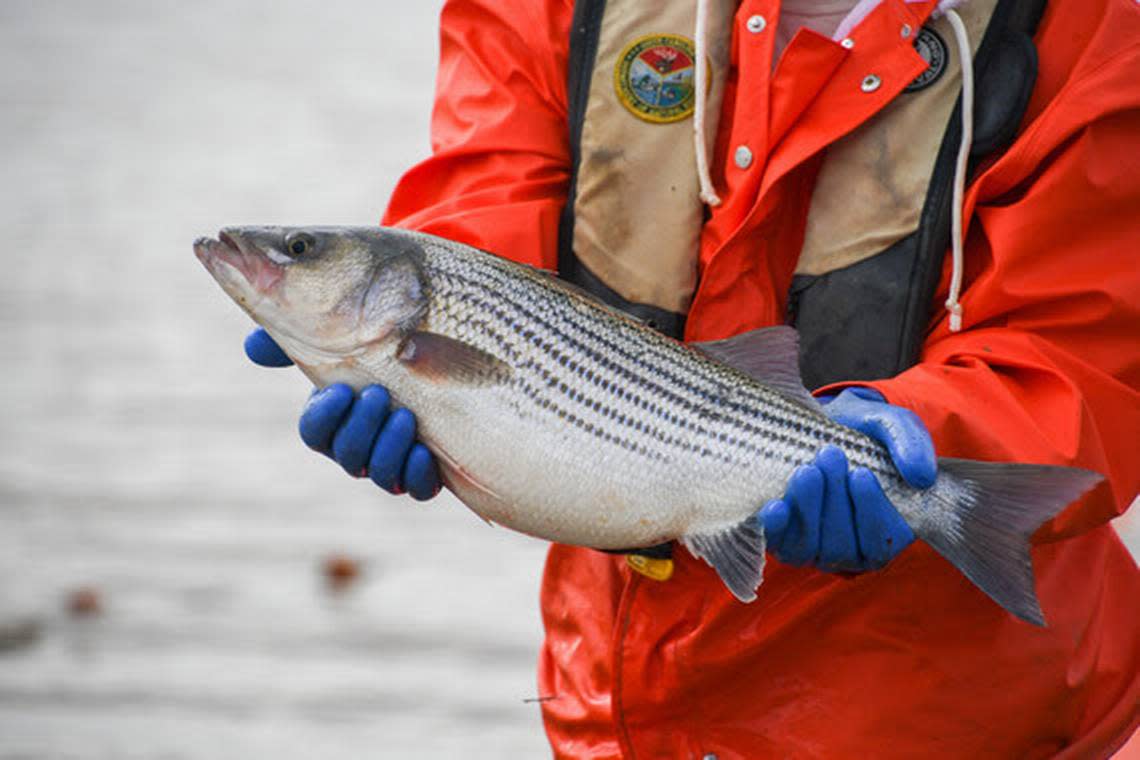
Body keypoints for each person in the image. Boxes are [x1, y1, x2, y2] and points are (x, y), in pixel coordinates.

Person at [246, 0, 1140, 756]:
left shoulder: (1090, 26)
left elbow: (1085, 342)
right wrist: (412, 370)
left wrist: (928, 437)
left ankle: (955, 510)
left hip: (972, 719)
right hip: (614, 706)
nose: (277, 258)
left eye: (299, 251)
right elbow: (482, 202)